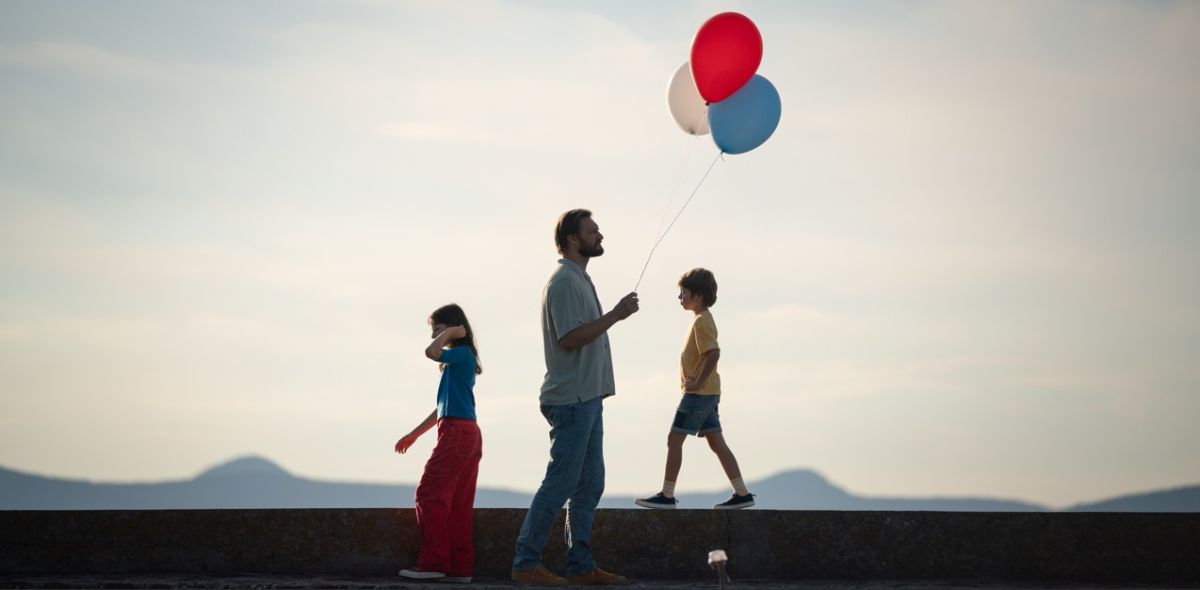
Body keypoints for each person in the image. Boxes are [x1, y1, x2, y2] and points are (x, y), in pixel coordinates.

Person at [511, 209, 639, 586]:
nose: (600, 234)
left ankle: (580, 566)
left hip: (588, 397)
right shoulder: (565, 281)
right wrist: (616, 315)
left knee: (588, 484)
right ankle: (525, 562)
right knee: (561, 482)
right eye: (592, 230)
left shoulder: (579, 278)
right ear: (571, 239)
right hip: (571, 399)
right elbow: (570, 338)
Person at [635, 268, 755, 510]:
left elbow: (713, 353)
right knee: (716, 442)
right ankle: (742, 493)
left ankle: (667, 495)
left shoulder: (702, 322)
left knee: (674, 438)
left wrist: (698, 382)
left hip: (699, 394)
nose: (680, 298)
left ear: (698, 295)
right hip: (707, 393)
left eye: (683, 293)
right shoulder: (700, 320)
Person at [395, 304, 484, 583]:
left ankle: (434, 563)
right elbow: (440, 409)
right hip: (464, 431)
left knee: (429, 495)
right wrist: (414, 434)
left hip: (457, 433)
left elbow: (431, 352)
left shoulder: (460, 353)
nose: (433, 333)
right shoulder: (459, 360)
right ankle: (459, 568)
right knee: (458, 502)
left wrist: (451, 334)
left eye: (437, 327)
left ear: (456, 327)